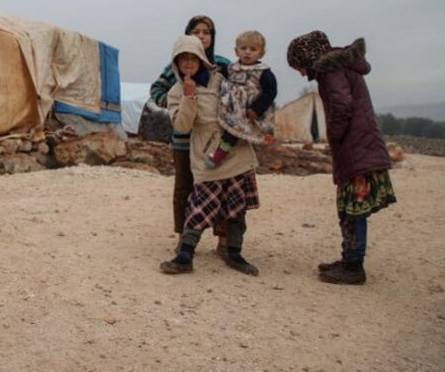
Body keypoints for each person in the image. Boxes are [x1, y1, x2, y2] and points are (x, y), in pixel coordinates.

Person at [287, 31, 396, 285]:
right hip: (361, 146)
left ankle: (353, 265)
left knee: (353, 208)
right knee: (350, 207)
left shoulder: (330, 69)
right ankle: (349, 258)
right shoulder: (341, 65)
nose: (302, 74)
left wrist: (333, 134)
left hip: (355, 148)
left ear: (307, 57)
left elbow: (342, 104)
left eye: (299, 67)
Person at [159, 35, 260, 276]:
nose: (189, 63)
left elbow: (239, 110)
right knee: (198, 207)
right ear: (176, 63)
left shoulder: (220, 81)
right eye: (184, 59)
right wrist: (189, 96)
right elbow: (182, 126)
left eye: (194, 58)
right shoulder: (176, 92)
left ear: (202, 59)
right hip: (208, 156)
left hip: (235, 152)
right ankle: (185, 255)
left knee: (237, 209)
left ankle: (234, 253)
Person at [150, 15, 230, 252]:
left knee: (222, 185)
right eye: (196, 32)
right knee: (185, 186)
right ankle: (184, 238)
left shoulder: (223, 65)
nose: (202, 36)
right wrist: (177, 105)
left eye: (207, 32)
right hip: (184, 141)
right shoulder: (175, 65)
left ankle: (224, 238)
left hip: (215, 141)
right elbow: (156, 90)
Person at [206, 30, 277, 168]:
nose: (247, 52)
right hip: (232, 107)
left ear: (261, 53)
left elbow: (270, 92)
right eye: (243, 48)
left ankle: (219, 156)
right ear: (236, 51)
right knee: (227, 130)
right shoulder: (231, 68)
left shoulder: (263, 72)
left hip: (249, 110)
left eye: (253, 49)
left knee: (235, 133)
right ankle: (221, 153)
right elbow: (217, 77)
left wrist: (257, 109)